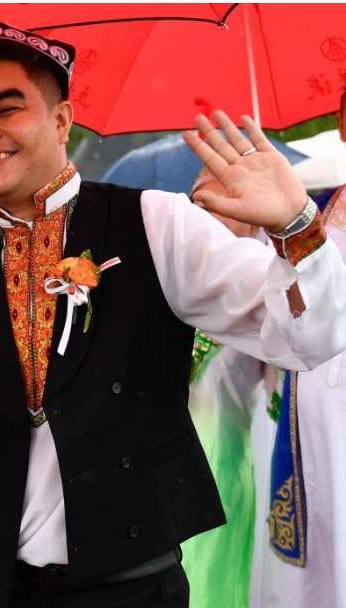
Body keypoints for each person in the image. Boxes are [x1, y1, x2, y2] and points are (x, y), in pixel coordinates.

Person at [0, 18, 346, 608]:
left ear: (61, 120)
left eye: (7, 109)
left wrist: (294, 225)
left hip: (134, 589)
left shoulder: (156, 223)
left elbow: (309, 338)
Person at [258, 92, 346, 608]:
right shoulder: (310, 212)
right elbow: (288, 311)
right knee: (321, 544)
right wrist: (279, 243)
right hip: (311, 404)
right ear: (342, 120)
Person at [181, 170, 275, 608]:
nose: (209, 215)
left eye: (224, 204)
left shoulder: (269, 285)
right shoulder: (171, 273)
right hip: (155, 463)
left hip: (224, 461)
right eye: (200, 204)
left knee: (211, 579)